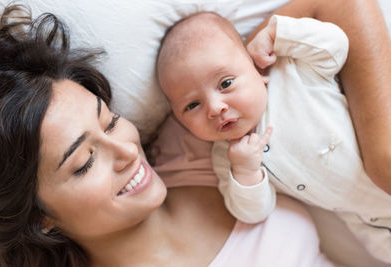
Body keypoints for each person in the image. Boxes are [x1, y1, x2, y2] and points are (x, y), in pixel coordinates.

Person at [0, 4, 338, 267]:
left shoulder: (198, 133)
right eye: (85, 162)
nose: (127, 149)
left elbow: (325, 8)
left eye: (110, 121)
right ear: (40, 218)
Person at [157, 11, 391, 263]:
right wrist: (246, 172)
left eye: (225, 84)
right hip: (375, 225)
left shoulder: (291, 72)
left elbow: (336, 46)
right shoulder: (229, 157)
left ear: (254, 67)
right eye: (192, 105)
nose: (215, 108)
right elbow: (253, 212)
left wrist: (278, 35)